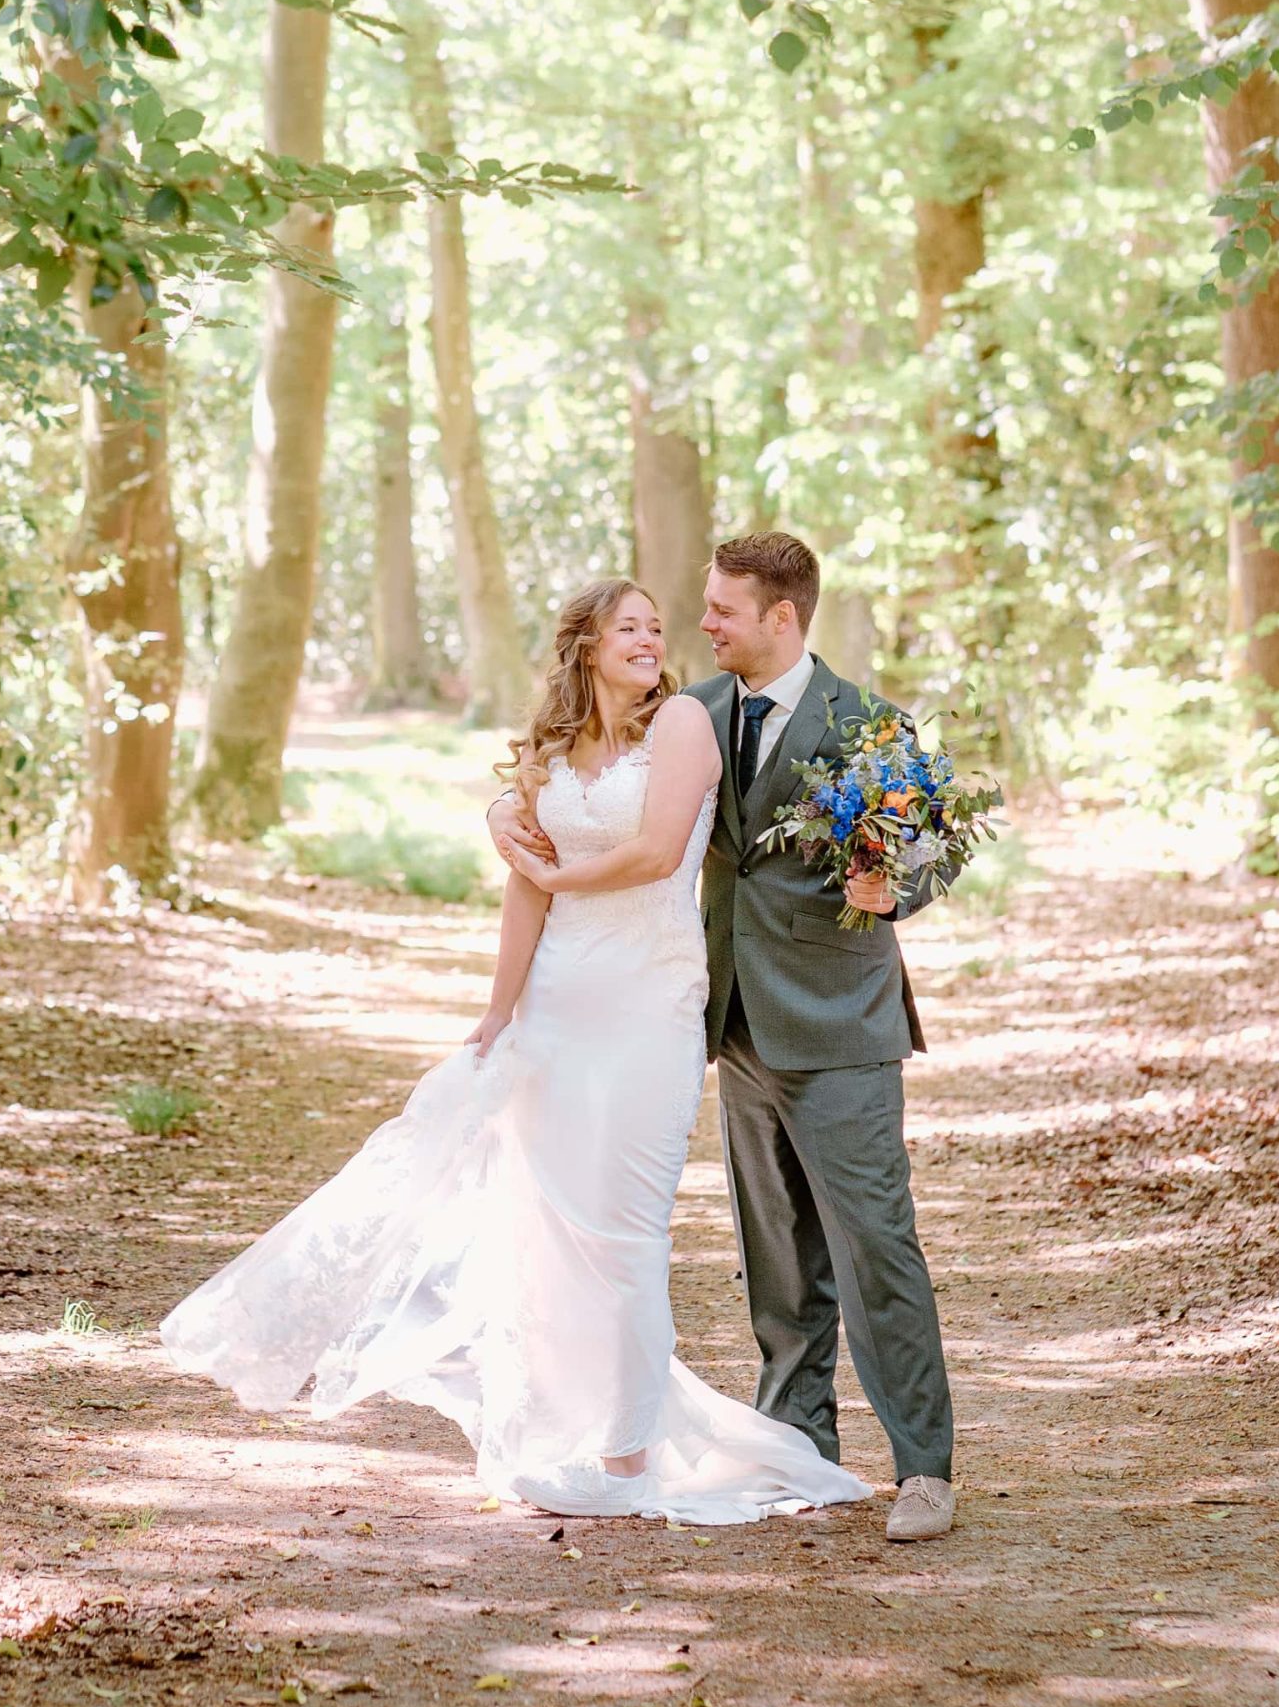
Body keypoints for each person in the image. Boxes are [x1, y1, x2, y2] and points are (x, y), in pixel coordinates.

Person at [160, 576, 866, 1526]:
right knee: (549, 1230)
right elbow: (524, 893)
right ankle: (573, 1433)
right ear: (584, 645)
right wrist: (499, 1012)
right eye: (630, 628)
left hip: (650, 1004)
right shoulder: (547, 753)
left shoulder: (686, 728)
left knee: (627, 1235)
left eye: (659, 627)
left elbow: (658, 855)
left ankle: (626, 1466)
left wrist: (554, 867)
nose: (653, 640)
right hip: (556, 1007)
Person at [490, 532, 957, 1544]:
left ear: (781, 618)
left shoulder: (867, 724)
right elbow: (581, 755)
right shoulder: (690, 715)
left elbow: (928, 845)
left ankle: (924, 1467)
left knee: (875, 1247)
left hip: (839, 1024)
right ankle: (799, 1441)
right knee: (778, 1258)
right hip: (730, 1018)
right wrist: (500, 807)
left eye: (723, 611)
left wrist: (897, 883)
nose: (704, 625)